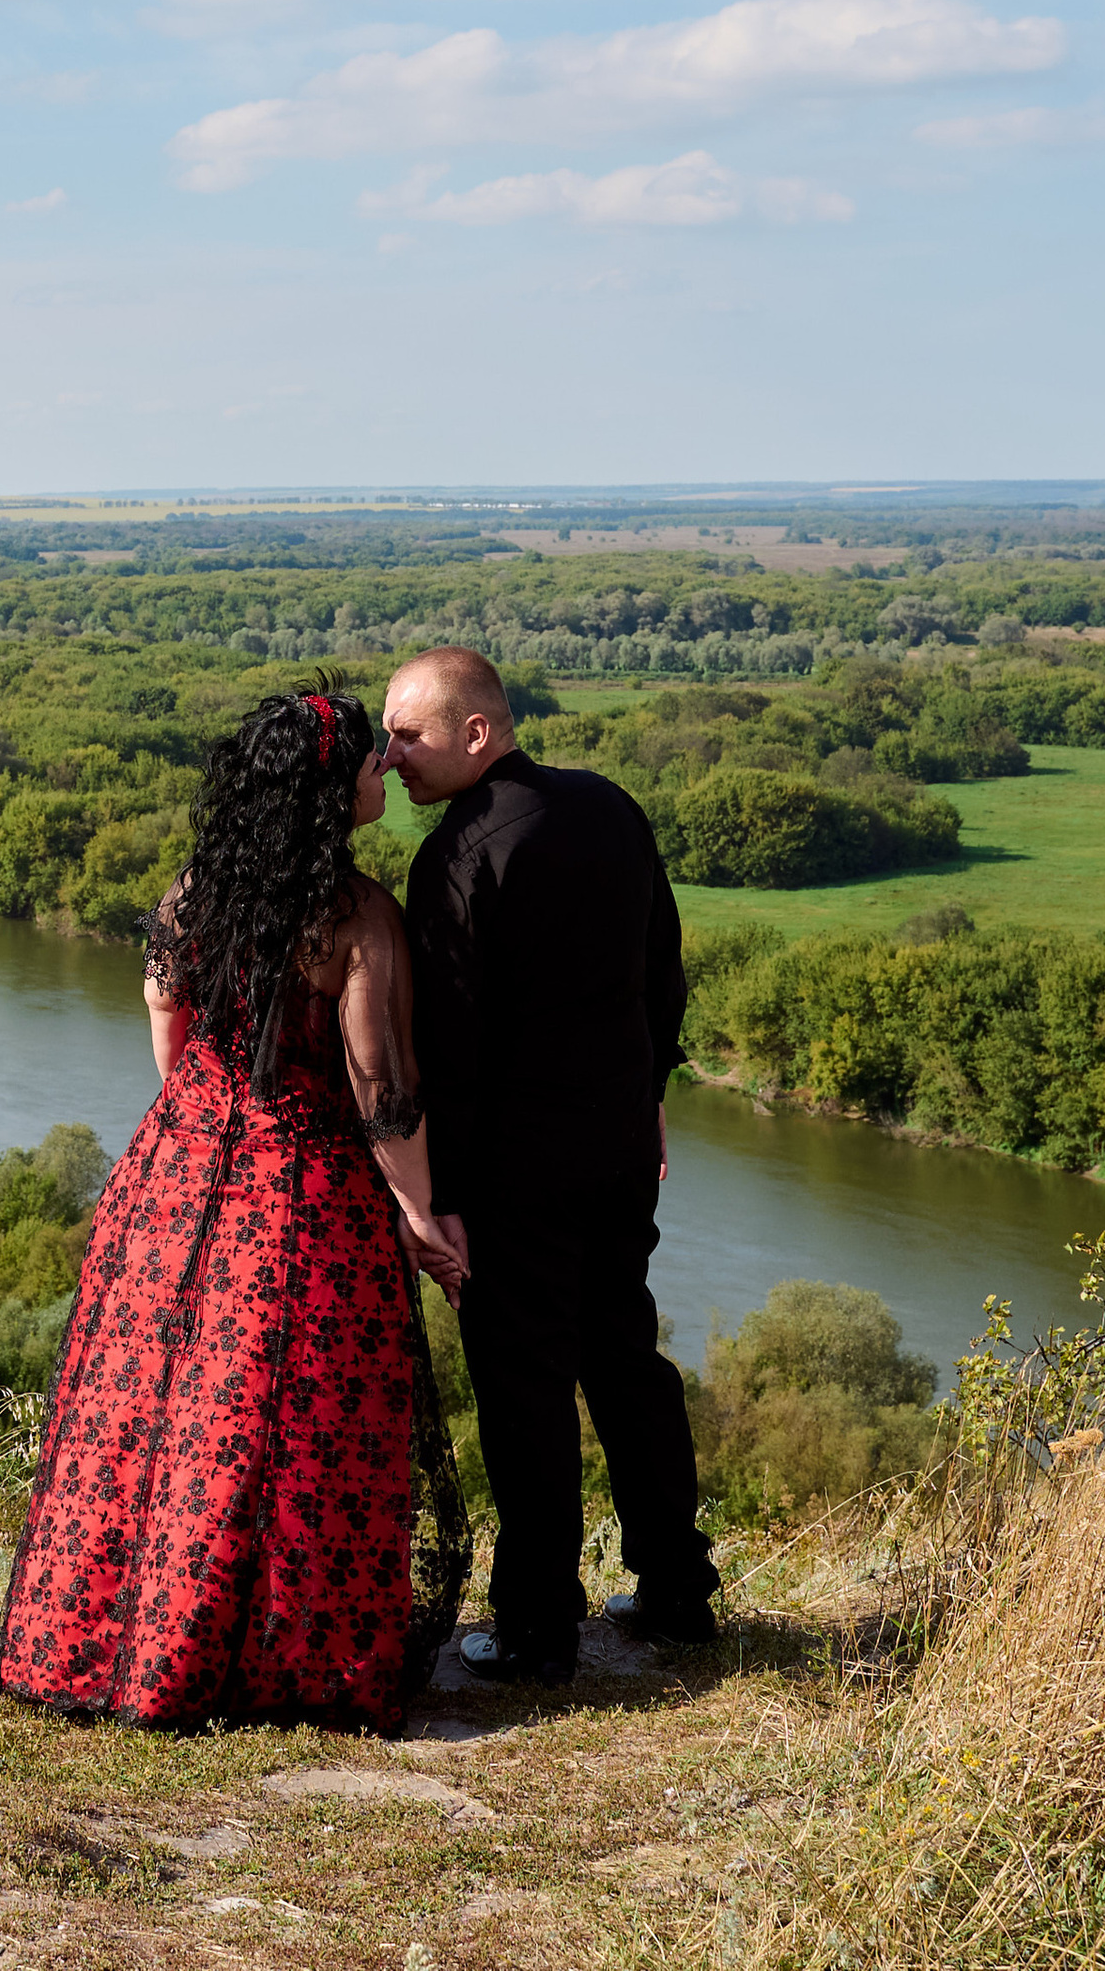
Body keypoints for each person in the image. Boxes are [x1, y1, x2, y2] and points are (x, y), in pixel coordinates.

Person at [0, 683, 471, 1734]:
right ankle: (275, 1660)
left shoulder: (189, 894)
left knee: (151, 1414)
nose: (382, 770)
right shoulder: (356, 917)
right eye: (366, 759)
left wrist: (203, 1131)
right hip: (301, 1203)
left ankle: (113, 1637)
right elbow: (383, 1096)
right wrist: (425, 1219)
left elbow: (168, 1036)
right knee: (288, 1430)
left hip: (170, 1183)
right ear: (326, 792)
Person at [384, 645, 718, 1687]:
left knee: (523, 1387)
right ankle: (678, 1594)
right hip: (616, 1149)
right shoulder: (610, 807)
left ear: (476, 731)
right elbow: (659, 973)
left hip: (514, 1169)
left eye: (408, 734)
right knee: (626, 1362)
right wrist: (649, 1097)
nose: (390, 756)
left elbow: (446, 1051)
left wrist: (438, 1199)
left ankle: (535, 1628)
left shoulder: (454, 858)